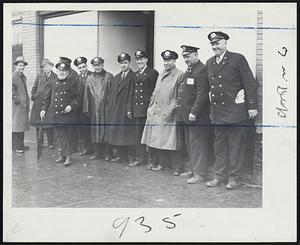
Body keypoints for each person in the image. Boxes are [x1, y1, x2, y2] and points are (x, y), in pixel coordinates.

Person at [205, 31, 258, 189]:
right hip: (218, 113)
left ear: (225, 43)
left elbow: (250, 83)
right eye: (213, 44)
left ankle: (235, 178)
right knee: (219, 146)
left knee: (236, 146)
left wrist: (252, 106)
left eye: (218, 43)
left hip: (236, 111)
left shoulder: (237, 59)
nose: (215, 46)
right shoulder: (209, 63)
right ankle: (220, 176)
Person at [141, 50, 184, 171]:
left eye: (169, 60)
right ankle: (161, 164)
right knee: (157, 140)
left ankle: (177, 167)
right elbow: (155, 92)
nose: (166, 63)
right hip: (156, 111)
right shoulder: (161, 74)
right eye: (165, 60)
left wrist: (171, 110)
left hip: (169, 113)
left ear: (174, 61)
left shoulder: (179, 75)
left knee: (171, 141)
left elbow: (179, 97)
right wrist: (150, 108)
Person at [174, 45, 211, 184]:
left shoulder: (201, 70)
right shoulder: (189, 70)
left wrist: (194, 112)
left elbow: (202, 94)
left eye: (188, 56)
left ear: (196, 55)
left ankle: (200, 173)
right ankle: (193, 169)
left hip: (197, 117)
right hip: (186, 116)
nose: (185, 59)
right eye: (184, 56)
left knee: (198, 145)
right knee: (190, 144)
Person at [40, 61, 80, 166]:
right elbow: (47, 98)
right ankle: (63, 155)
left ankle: (68, 157)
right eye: (60, 70)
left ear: (67, 72)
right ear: (57, 71)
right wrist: (43, 109)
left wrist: (71, 106)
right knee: (60, 135)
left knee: (65, 135)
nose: (62, 72)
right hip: (55, 114)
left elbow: (77, 97)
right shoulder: (52, 82)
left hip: (67, 115)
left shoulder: (72, 82)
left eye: (64, 71)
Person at [127, 50, 159, 167]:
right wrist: (129, 109)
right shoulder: (134, 75)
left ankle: (153, 160)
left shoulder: (152, 73)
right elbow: (131, 93)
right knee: (138, 135)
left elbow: (154, 93)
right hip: (136, 109)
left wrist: (152, 109)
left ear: (146, 60)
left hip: (147, 110)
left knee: (150, 135)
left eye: (141, 59)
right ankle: (140, 159)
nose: (139, 61)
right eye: (137, 59)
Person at [82, 57, 114, 160]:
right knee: (95, 131)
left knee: (106, 130)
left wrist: (110, 107)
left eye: (99, 65)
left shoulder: (109, 77)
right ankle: (96, 153)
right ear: (93, 66)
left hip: (106, 108)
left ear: (102, 65)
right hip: (94, 109)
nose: (97, 67)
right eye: (95, 65)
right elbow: (86, 94)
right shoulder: (90, 78)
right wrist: (86, 109)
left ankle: (107, 153)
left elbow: (112, 94)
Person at [107, 53, 136, 163]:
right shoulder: (117, 77)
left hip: (125, 109)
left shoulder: (133, 76)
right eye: (121, 63)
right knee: (117, 132)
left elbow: (132, 94)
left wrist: (129, 109)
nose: (123, 65)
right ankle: (120, 155)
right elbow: (112, 94)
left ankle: (130, 156)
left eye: (125, 63)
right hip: (116, 109)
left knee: (127, 133)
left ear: (129, 63)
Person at [30, 58, 57, 149]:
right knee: (38, 122)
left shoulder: (55, 76)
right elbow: (34, 87)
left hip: (49, 103)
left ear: (51, 66)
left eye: (46, 66)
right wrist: (34, 96)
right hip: (38, 102)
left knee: (49, 123)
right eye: (43, 67)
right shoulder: (39, 76)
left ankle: (50, 143)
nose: (45, 69)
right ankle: (40, 142)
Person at [58, 56, 79, 153]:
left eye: (64, 63)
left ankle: (72, 148)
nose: (62, 70)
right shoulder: (59, 76)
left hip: (71, 107)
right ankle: (65, 149)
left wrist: (71, 105)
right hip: (62, 108)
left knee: (71, 130)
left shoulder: (73, 74)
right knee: (63, 131)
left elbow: (76, 94)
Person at [74, 57, 93, 156]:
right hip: (81, 108)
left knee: (91, 128)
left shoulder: (92, 75)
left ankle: (93, 148)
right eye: (80, 68)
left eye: (83, 67)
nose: (82, 69)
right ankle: (86, 148)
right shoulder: (77, 78)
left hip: (91, 107)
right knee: (83, 129)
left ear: (86, 66)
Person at [12, 56, 30, 153]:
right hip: (17, 106)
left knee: (21, 125)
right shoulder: (14, 76)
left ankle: (21, 145)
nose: (22, 67)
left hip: (22, 105)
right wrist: (17, 100)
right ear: (16, 66)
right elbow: (11, 90)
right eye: (20, 65)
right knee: (16, 126)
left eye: (23, 65)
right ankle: (16, 147)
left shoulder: (22, 76)